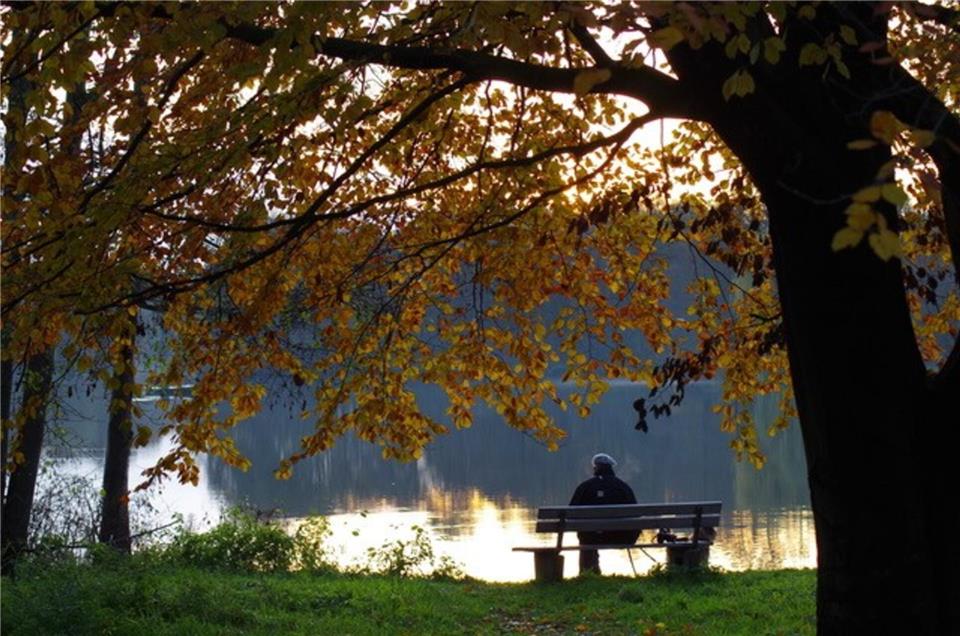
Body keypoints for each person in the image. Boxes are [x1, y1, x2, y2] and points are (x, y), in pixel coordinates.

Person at [569, 453, 638, 575]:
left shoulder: (585, 487)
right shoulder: (623, 487)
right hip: (621, 537)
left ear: (595, 468)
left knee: (586, 535)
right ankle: (592, 571)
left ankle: (588, 573)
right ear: (611, 468)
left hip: (590, 539)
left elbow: (571, 513)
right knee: (589, 533)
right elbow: (636, 514)